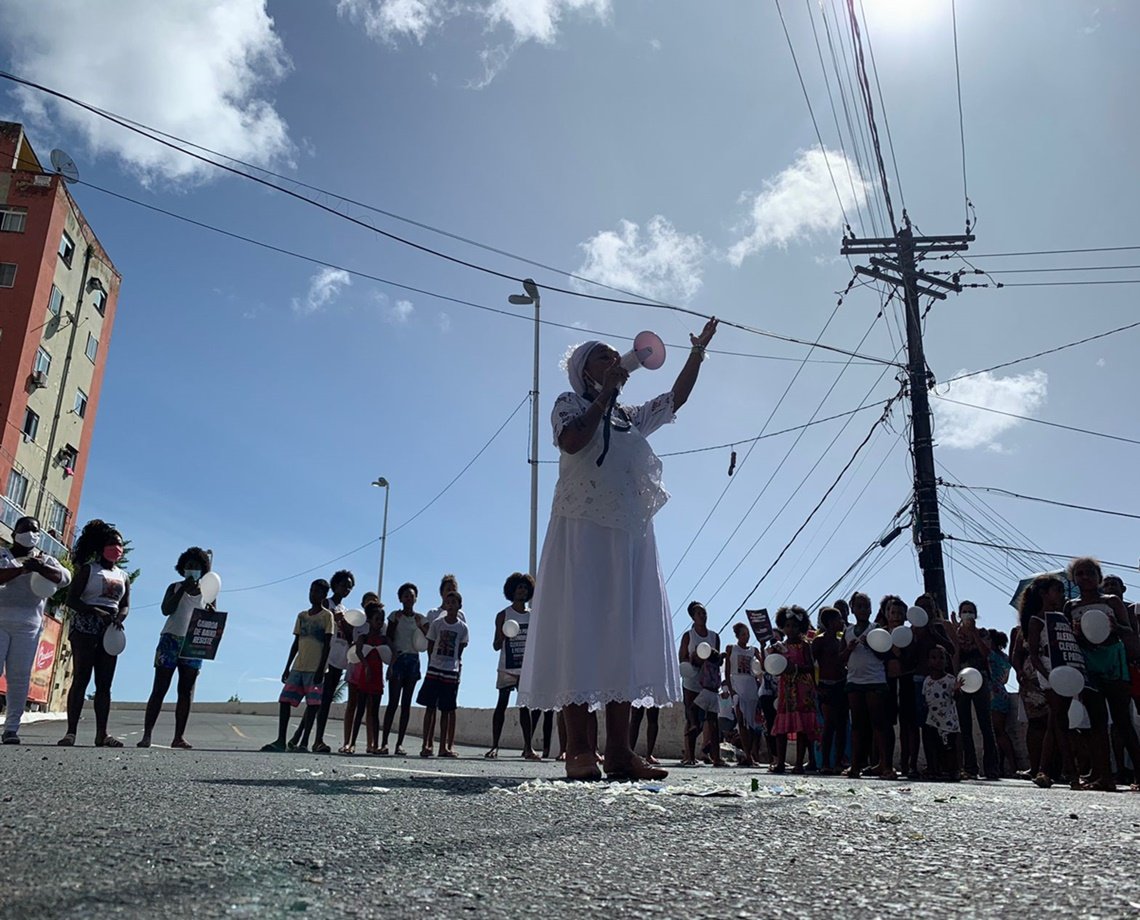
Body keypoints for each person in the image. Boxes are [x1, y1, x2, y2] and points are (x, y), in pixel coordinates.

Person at [518, 320, 718, 781]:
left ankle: (621, 752)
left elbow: (675, 400)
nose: (615, 360)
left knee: (620, 634)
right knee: (578, 629)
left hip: (627, 535)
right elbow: (572, 440)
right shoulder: (569, 404)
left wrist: (697, 354)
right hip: (582, 533)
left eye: (615, 356)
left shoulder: (628, 417)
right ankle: (580, 752)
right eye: (602, 356)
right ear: (584, 370)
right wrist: (605, 394)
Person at [1066, 556, 1140, 791]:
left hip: (1113, 663)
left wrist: (1112, 626)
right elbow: (1069, 637)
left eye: (1090, 572)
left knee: (1122, 721)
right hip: (1088, 666)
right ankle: (1105, 777)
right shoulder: (1071, 606)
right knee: (1097, 723)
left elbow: (1128, 630)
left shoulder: (1112, 601)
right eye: (1080, 573)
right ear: (1074, 578)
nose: (1085, 577)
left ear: (1098, 577)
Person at [0, 516, 71, 744]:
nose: (30, 533)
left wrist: (41, 568)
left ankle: (11, 728)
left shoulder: (45, 559)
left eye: (35, 530)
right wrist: (21, 570)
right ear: (14, 533)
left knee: (19, 677)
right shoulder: (3, 555)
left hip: (29, 626)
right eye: (25, 529)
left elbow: (65, 579)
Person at [60, 520, 130, 747]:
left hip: (110, 628)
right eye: (111, 544)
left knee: (104, 683)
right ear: (101, 546)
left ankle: (102, 733)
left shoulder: (123, 576)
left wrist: (119, 617)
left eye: (119, 545)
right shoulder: (89, 570)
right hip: (85, 627)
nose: (116, 548)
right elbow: (72, 599)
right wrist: (94, 610)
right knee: (82, 676)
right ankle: (71, 732)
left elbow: (125, 603)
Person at [138, 546, 213, 749]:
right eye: (189, 566)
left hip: (192, 643)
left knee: (186, 691)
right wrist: (182, 590)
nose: (192, 569)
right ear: (182, 568)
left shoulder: (208, 592)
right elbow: (166, 609)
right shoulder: (174, 587)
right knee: (159, 688)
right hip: (170, 639)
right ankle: (147, 735)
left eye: (197, 566)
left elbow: (212, 617)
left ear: (203, 569)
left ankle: (178, 736)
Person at [1020, 574, 1083, 789]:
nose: (1062, 595)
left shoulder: (1062, 619)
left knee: (1055, 722)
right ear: (1044, 594)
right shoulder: (1036, 621)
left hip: (1064, 672)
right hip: (1050, 672)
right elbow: (1034, 654)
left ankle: (1044, 770)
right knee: (1059, 720)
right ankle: (1071, 772)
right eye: (1057, 591)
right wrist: (1047, 676)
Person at [261, 579, 333, 752]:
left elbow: (327, 643)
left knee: (313, 704)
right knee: (285, 700)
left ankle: (304, 742)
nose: (313, 594)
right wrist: (287, 667)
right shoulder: (302, 616)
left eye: (317, 592)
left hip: (314, 668)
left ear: (323, 595)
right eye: (311, 591)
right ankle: (281, 739)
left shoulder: (326, 616)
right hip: (298, 666)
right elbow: (296, 642)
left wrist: (321, 669)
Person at [294, 569, 355, 754]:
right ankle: (312, 739)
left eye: (350, 587)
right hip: (323, 659)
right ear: (335, 585)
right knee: (317, 701)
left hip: (338, 659)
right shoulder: (326, 605)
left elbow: (351, 637)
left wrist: (344, 622)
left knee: (324, 700)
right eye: (344, 585)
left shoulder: (345, 611)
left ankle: (301, 737)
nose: (346, 589)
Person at [486, 572, 540, 760]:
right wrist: (501, 637)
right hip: (507, 667)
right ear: (512, 590)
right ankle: (494, 746)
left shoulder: (533, 616)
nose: (522, 591)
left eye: (525, 588)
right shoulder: (503, 615)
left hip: (525, 669)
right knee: (501, 704)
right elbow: (495, 645)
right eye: (518, 587)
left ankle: (528, 747)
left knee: (525, 706)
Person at [842, 591, 891, 779]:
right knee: (857, 725)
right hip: (854, 681)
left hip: (875, 681)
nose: (863, 610)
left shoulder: (876, 629)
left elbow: (884, 655)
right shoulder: (847, 632)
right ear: (852, 609)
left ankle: (886, 765)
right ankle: (855, 766)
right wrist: (849, 648)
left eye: (866, 606)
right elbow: (841, 659)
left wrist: (870, 644)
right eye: (859, 606)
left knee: (879, 723)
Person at [948, 600, 999, 780]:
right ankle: (970, 767)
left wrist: (974, 634)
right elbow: (955, 656)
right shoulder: (956, 634)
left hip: (981, 678)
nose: (967, 614)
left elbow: (986, 653)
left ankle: (992, 767)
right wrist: (955, 680)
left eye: (970, 611)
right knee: (965, 725)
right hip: (963, 679)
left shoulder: (983, 633)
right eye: (964, 611)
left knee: (986, 723)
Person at [417, 589, 468, 758]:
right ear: (444, 605)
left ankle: (443, 747)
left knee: (446, 709)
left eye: (454, 602)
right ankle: (426, 745)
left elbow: (460, 649)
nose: (451, 605)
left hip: (450, 672)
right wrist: (433, 662)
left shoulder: (462, 628)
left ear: (459, 606)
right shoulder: (437, 624)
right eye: (448, 602)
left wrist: (455, 666)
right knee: (430, 707)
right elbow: (431, 643)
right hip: (434, 669)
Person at [379, 583, 426, 756]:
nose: (409, 598)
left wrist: (422, 626)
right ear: (400, 598)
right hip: (398, 659)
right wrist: (392, 659)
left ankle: (399, 744)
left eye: (412, 595)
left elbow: (427, 638)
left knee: (406, 704)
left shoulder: (420, 618)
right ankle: (384, 742)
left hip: (413, 661)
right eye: (405, 595)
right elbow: (388, 638)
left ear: (416, 598)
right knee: (393, 702)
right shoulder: (394, 616)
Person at [771, 607, 818, 774]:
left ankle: (799, 763)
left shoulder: (804, 645)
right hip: (786, 688)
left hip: (803, 688)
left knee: (802, 728)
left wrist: (795, 668)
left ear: (801, 627)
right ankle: (780, 762)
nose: (791, 629)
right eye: (787, 625)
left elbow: (810, 666)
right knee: (782, 727)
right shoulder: (779, 647)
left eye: (795, 626)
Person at [679, 601, 721, 766]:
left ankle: (715, 756)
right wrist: (693, 659)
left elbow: (717, 660)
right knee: (692, 719)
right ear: (692, 617)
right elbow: (682, 658)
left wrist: (712, 657)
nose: (703, 616)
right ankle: (689, 756)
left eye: (704, 613)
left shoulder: (714, 636)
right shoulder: (688, 636)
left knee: (712, 721)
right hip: (692, 682)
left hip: (709, 683)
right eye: (699, 613)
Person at [347, 601, 387, 754]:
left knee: (374, 712)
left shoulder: (383, 639)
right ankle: (352, 743)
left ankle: (376, 744)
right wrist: (366, 665)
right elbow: (357, 651)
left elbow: (393, 652)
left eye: (381, 620)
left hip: (377, 676)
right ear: (369, 620)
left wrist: (390, 668)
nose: (380, 623)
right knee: (360, 709)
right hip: (366, 676)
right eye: (377, 619)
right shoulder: (364, 637)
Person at [342, 590, 380, 753]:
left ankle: (371, 743)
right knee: (352, 704)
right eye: (368, 602)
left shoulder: (380, 623)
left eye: (374, 601)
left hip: (372, 668)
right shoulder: (356, 622)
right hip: (356, 666)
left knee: (371, 708)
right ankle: (348, 742)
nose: (371, 604)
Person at [812, 607, 847, 774]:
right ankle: (825, 762)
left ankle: (839, 762)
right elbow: (813, 664)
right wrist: (816, 686)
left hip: (841, 684)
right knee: (829, 725)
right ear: (831, 623)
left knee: (841, 725)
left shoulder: (842, 640)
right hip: (826, 685)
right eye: (839, 619)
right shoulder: (819, 640)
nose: (842, 622)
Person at [922, 646, 962, 781]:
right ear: (928, 661)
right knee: (934, 745)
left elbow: (957, 698)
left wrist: (957, 690)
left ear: (946, 661)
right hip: (932, 720)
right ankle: (934, 769)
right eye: (934, 658)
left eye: (941, 658)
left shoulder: (950, 680)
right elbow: (925, 698)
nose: (938, 661)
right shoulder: (927, 681)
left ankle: (953, 770)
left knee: (950, 747)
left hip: (948, 721)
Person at [725, 623, 761, 767]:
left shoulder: (753, 650)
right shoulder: (731, 649)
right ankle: (747, 754)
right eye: (743, 634)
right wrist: (730, 689)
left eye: (747, 634)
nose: (746, 637)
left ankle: (750, 753)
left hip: (750, 687)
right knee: (741, 721)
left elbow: (761, 667)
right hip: (737, 686)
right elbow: (727, 671)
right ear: (738, 636)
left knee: (751, 723)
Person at [987, 630, 1018, 777]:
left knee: (997, 731)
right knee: (1000, 731)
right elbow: (1005, 680)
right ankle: (1003, 765)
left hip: (993, 693)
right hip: (1002, 692)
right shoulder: (1005, 658)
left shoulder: (991, 656)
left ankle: (1012, 765)